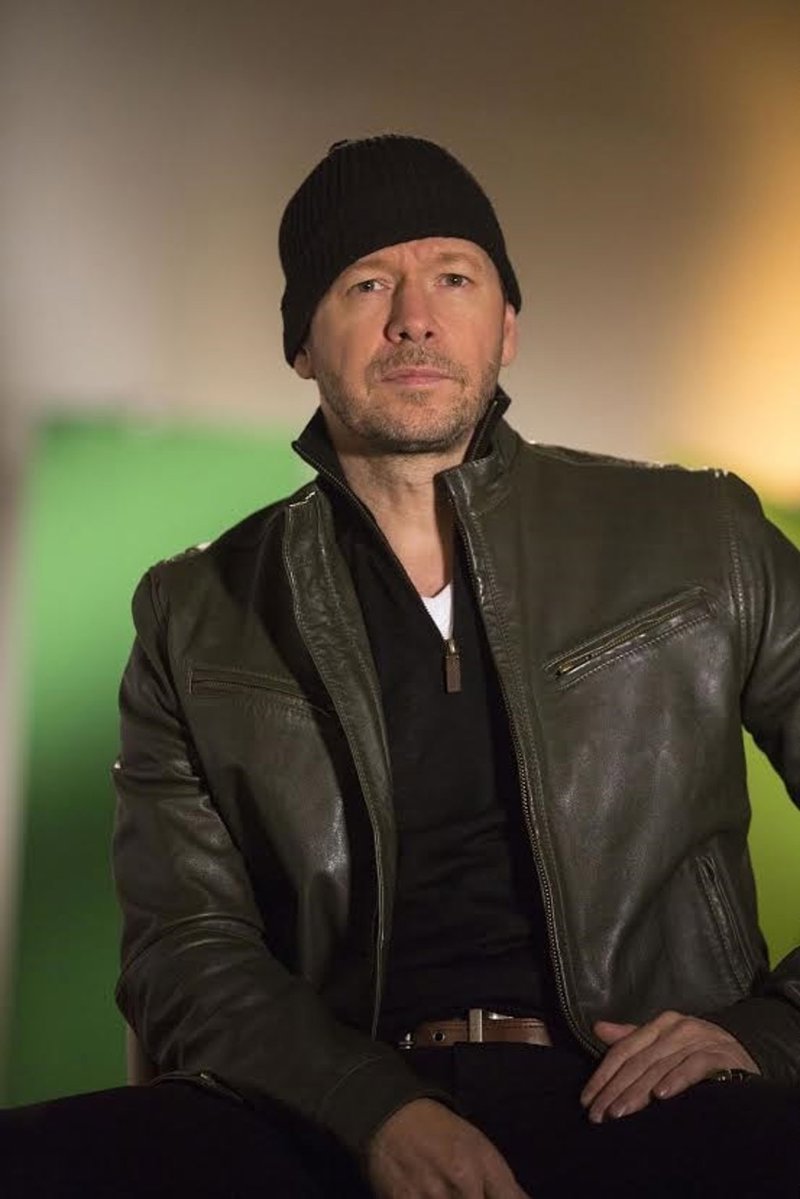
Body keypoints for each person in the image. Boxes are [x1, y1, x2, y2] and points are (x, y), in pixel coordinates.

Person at [2, 134, 800, 1197]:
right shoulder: (197, 614)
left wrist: (767, 1030)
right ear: (302, 343)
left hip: (648, 1097)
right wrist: (370, 1109)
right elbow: (182, 950)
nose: (414, 317)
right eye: (367, 282)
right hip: (337, 1105)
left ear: (506, 325)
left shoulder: (697, 535)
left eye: (454, 278)